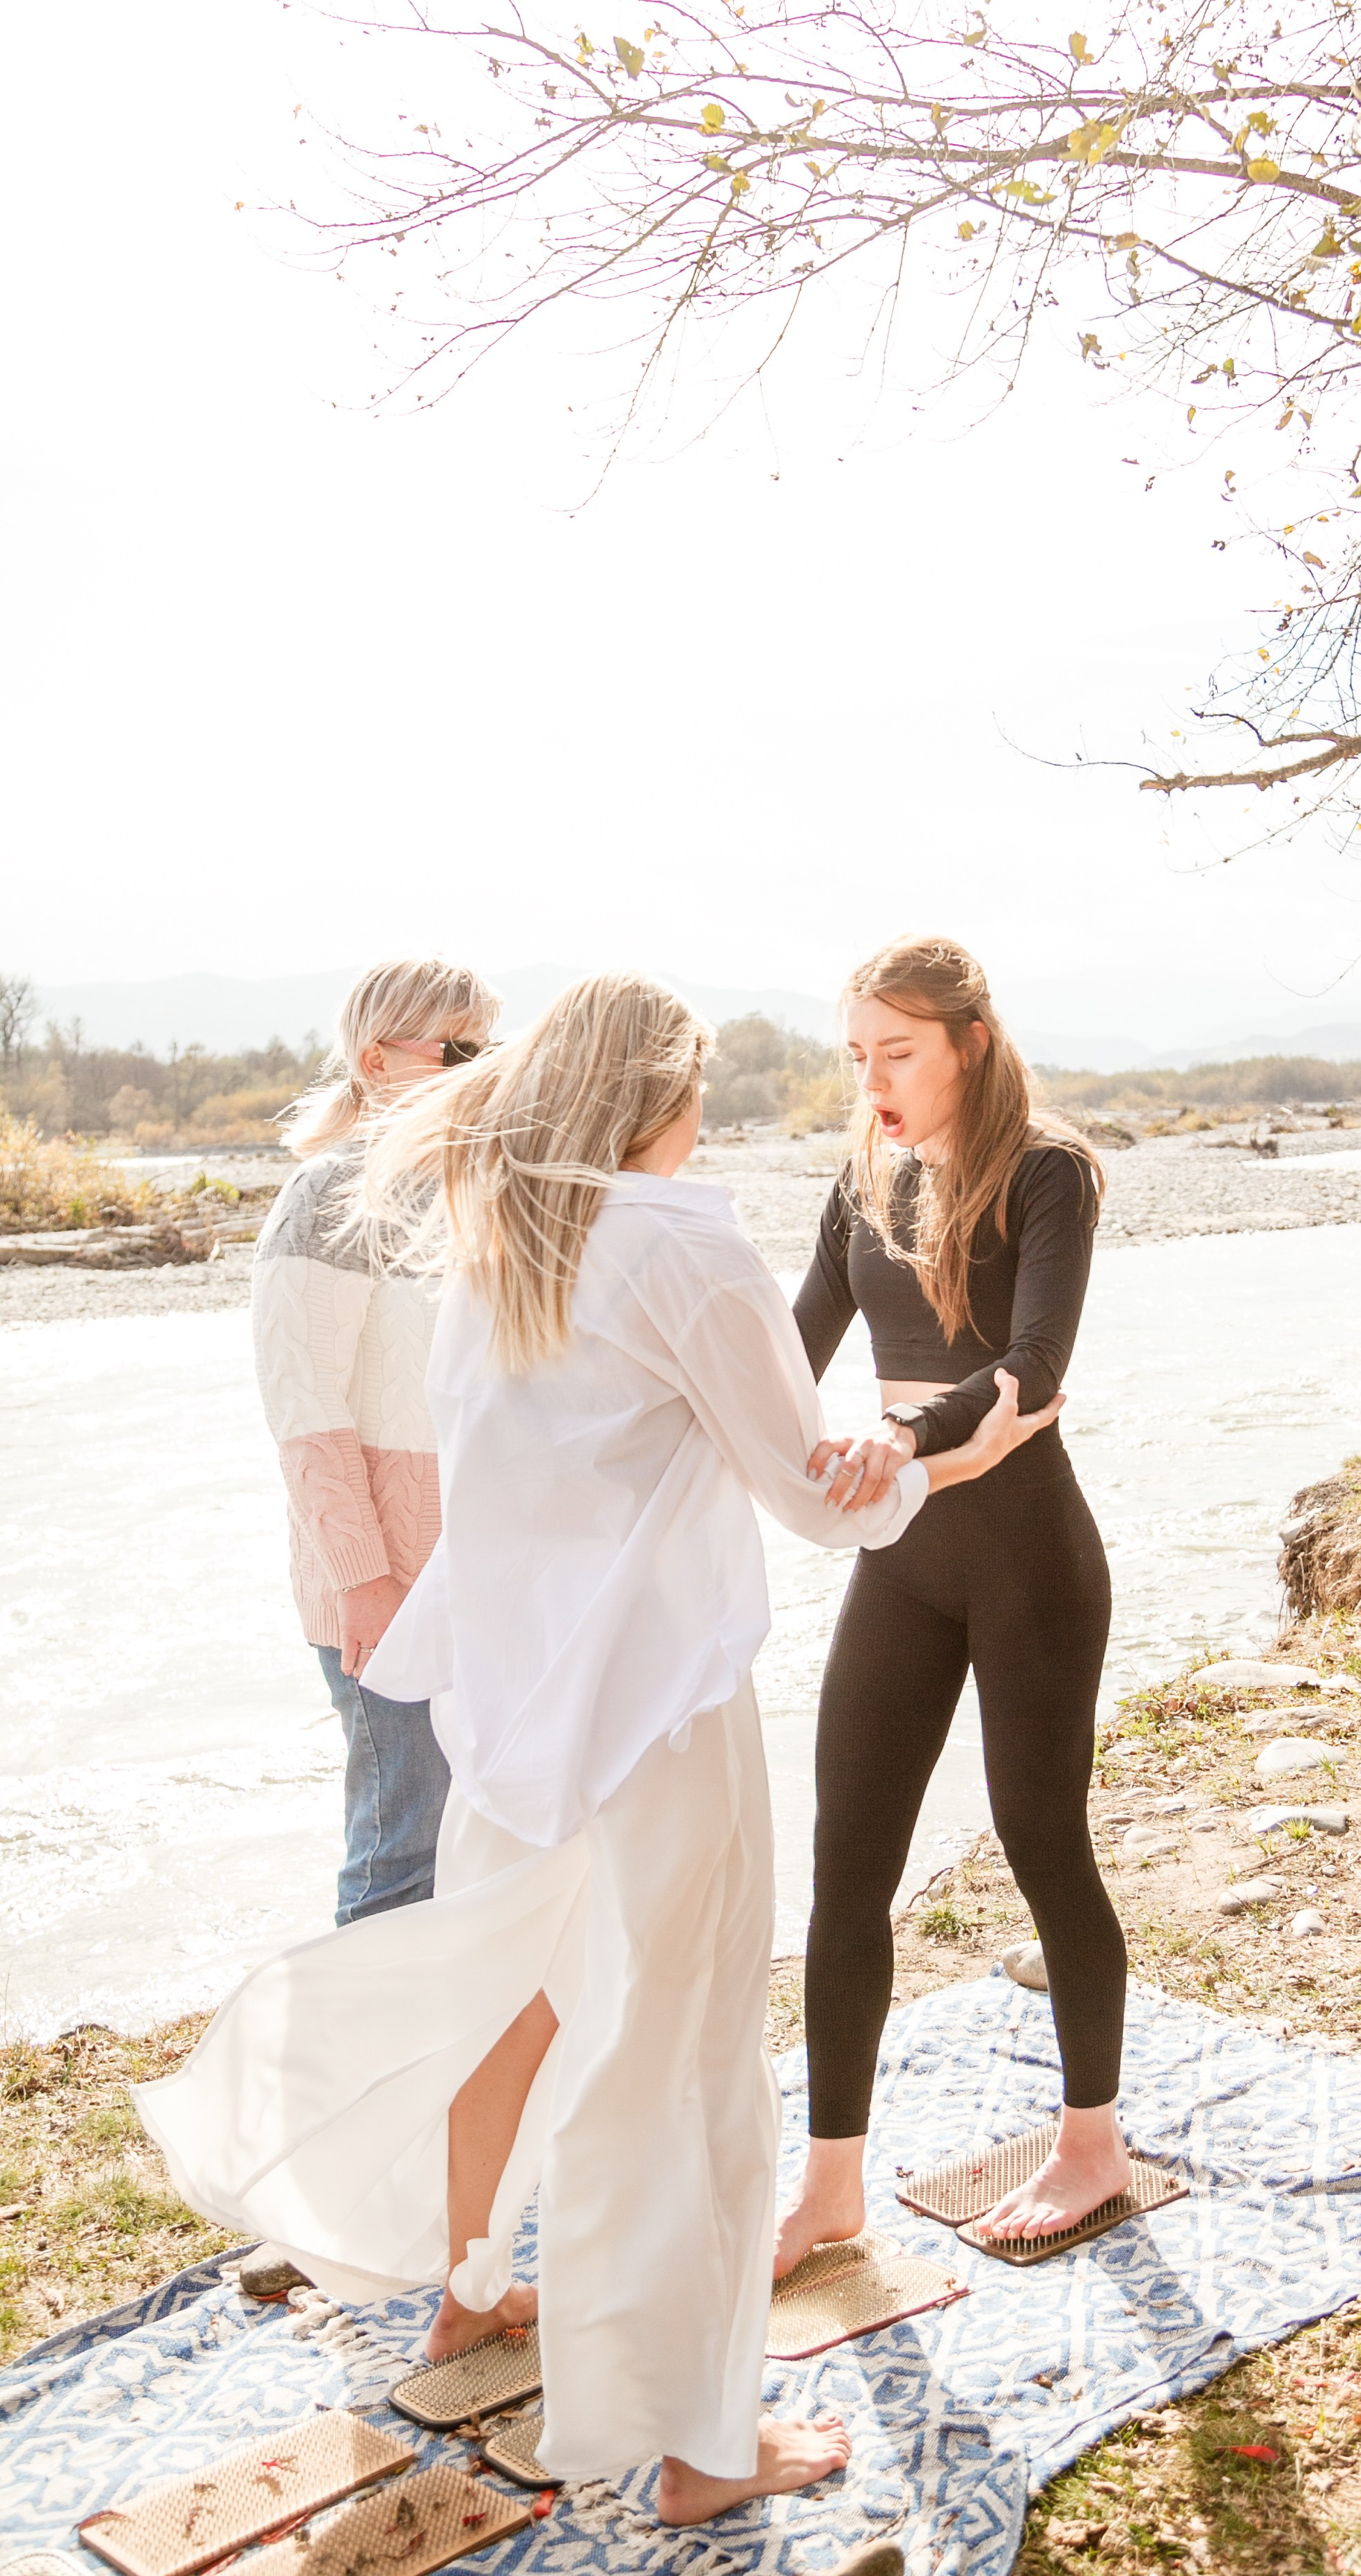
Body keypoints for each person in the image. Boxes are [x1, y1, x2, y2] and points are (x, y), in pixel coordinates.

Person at [138, 973, 1054, 2518]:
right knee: (685, 2059)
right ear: (662, 1101)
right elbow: (808, 1491)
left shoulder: (496, 1239)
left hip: (507, 1710)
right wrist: (937, 1449)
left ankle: (472, 2286)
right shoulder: (679, 1238)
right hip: (652, 1714)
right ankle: (701, 2445)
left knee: (524, 2009)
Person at [773, 935, 1128, 2266]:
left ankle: (1090, 2146)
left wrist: (906, 1444)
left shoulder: (1048, 1174)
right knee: (844, 1870)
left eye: (898, 1053)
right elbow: (787, 1352)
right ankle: (831, 2187)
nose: (874, 1080)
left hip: (1029, 1561)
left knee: (1044, 1845)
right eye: (858, 1055)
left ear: (968, 1042)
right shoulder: (859, 1181)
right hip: (904, 1560)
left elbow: (1034, 1363)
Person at [253, 956, 500, 1923]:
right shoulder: (327, 1196)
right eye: (459, 1049)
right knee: (404, 1850)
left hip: (476, 1576)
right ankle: (356, 2068)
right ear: (376, 1059)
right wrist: (363, 1577)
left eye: (492, 1046)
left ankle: (449, 2070)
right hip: (385, 1586)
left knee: (479, 1849)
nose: (484, 1068)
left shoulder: (467, 1189)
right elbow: (302, 1405)